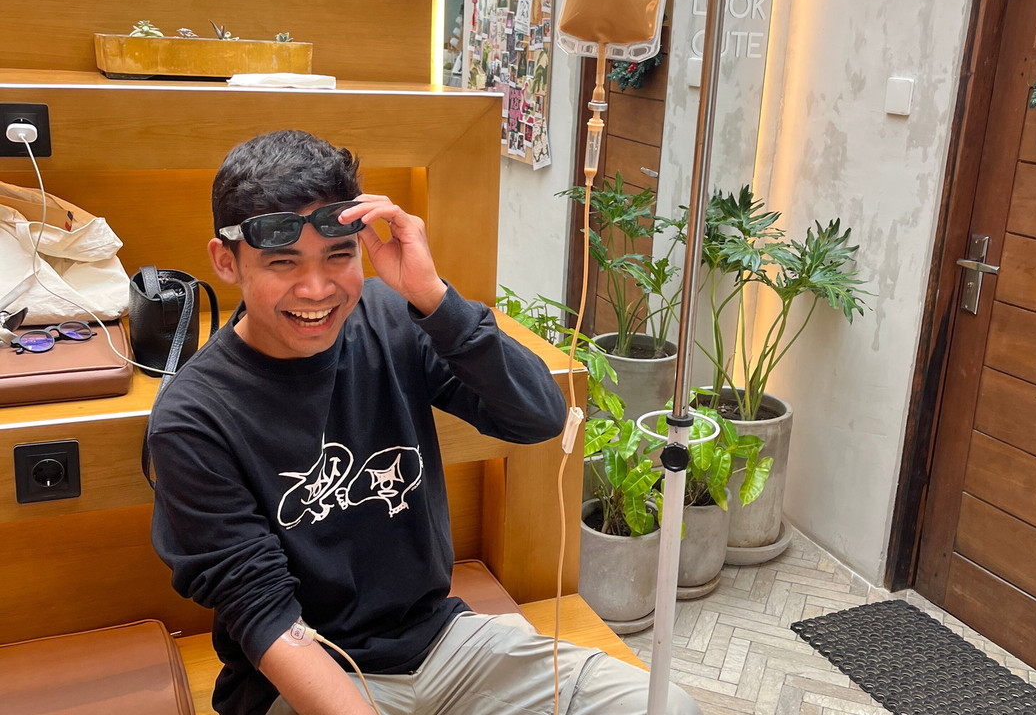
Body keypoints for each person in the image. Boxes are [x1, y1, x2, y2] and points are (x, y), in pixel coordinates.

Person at [149, 130, 702, 715]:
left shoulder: (390, 319)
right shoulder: (193, 418)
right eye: (283, 263)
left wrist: (433, 297)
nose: (316, 289)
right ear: (226, 261)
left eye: (339, 256)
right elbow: (265, 616)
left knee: (665, 709)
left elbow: (539, 417)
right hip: (310, 673)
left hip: (441, 643)